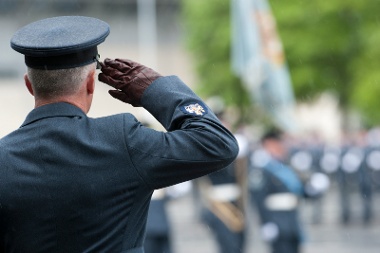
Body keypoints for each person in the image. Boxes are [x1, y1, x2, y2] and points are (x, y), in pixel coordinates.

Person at [0, 16, 239, 253]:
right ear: (91, 83)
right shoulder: (120, 140)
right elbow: (217, 143)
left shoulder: (3, 158)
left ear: (29, 85)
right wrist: (155, 89)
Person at [249, 129, 329, 253]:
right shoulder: (262, 168)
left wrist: (313, 189)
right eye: (280, 142)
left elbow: (298, 192)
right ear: (269, 144)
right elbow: (258, 199)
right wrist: (266, 223)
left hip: (293, 222)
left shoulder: (286, 165)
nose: (283, 146)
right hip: (276, 221)